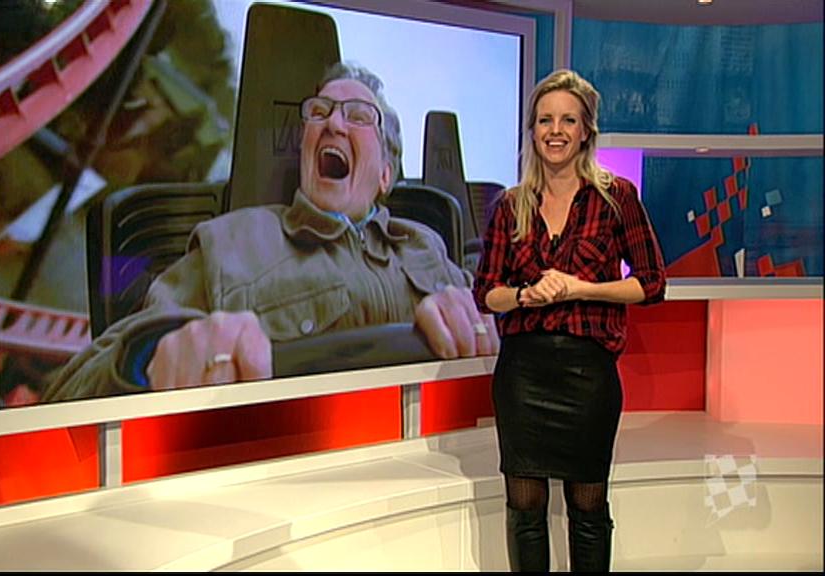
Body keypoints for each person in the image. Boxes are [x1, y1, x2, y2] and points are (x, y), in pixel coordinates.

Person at [43, 62, 499, 401]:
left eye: (358, 116)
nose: (332, 123)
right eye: (319, 112)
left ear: (385, 173)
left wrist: (492, 324)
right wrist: (151, 355)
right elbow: (70, 388)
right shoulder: (231, 242)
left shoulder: (425, 244)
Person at [475, 69, 666, 572]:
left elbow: (651, 283)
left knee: (587, 505)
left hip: (588, 376)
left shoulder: (616, 197)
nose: (555, 131)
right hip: (523, 375)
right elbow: (485, 294)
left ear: (585, 131)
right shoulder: (510, 206)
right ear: (533, 131)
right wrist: (524, 295)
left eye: (567, 120)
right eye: (545, 120)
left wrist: (583, 288)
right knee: (525, 506)